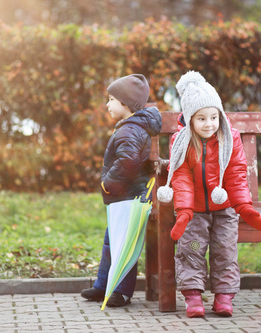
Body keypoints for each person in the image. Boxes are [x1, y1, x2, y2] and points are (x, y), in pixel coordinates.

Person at [156, 71, 261, 318]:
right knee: (192, 248)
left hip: (225, 209)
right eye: (202, 119)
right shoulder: (182, 142)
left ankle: (224, 297)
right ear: (190, 120)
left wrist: (243, 206)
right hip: (194, 212)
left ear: (221, 116)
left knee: (224, 251)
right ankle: (193, 297)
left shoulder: (230, 139)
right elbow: (182, 177)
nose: (209, 124)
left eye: (214, 117)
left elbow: (236, 174)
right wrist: (184, 210)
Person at [81, 74, 162, 307]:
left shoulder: (131, 130)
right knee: (112, 242)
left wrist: (108, 182)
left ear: (126, 104)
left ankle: (122, 292)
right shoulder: (131, 127)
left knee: (124, 243)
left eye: (111, 100)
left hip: (129, 196)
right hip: (124, 197)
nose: (107, 105)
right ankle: (103, 285)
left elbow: (127, 162)